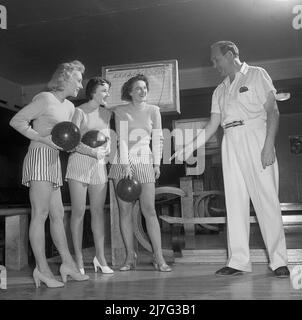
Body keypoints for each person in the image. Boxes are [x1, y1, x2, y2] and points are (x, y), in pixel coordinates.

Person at [172, 41, 289, 278]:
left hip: (256, 137)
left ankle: (279, 262)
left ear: (230, 54)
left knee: (266, 200)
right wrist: (188, 148)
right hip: (230, 140)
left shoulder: (257, 74)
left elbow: (272, 111)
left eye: (216, 60)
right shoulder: (219, 90)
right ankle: (238, 261)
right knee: (235, 203)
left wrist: (268, 146)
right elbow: (212, 125)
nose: (214, 65)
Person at [9, 60, 90, 288]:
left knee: (57, 215)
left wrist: (94, 152)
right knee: (41, 213)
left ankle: (68, 265)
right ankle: (42, 270)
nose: (80, 85)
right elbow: (17, 120)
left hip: (54, 161)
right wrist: (41, 138)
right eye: (78, 80)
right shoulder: (45, 98)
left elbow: (68, 140)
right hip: (39, 157)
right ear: (64, 78)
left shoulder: (71, 108)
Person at [108, 74, 172, 272]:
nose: (142, 91)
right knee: (124, 212)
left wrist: (157, 163)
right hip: (123, 162)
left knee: (149, 210)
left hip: (145, 159)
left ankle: (159, 257)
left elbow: (158, 138)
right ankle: (129, 257)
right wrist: (126, 164)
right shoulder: (120, 111)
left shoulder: (154, 110)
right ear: (129, 92)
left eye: (144, 88)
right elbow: (123, 139)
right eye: (138, 88)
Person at [65, 77, 114, 275]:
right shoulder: (79, 111)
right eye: (104, 90)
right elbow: (71, 143)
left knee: (98, 212)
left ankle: (100, 258)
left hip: (99, 166)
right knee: (78, 212)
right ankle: (78, 258)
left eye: (107, 91)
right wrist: (93, 152)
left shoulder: (107, 113)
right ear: (93, 92)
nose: (107, 94)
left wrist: (107, 147)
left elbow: (106, 137)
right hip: (79, 164)